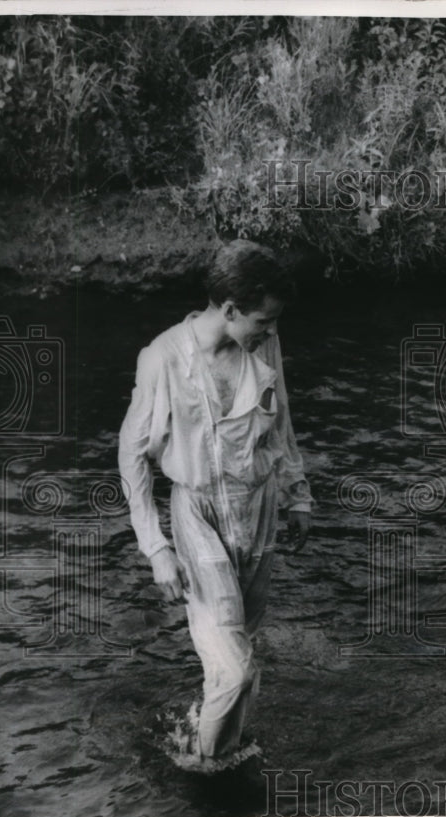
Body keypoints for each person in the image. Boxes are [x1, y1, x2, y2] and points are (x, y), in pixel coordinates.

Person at [118, 239, 312, 764]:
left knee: (240, 649)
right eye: (263, 320)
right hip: (199, 514)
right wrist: (156, 548)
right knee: (236, 670)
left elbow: (281, 415)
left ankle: (221, 754)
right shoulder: (162, 358)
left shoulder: (262, 344)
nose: (271, 330)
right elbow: (131, 454)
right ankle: (204, 769)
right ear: (229, 309)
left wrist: (297, 493)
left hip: (259, 507)